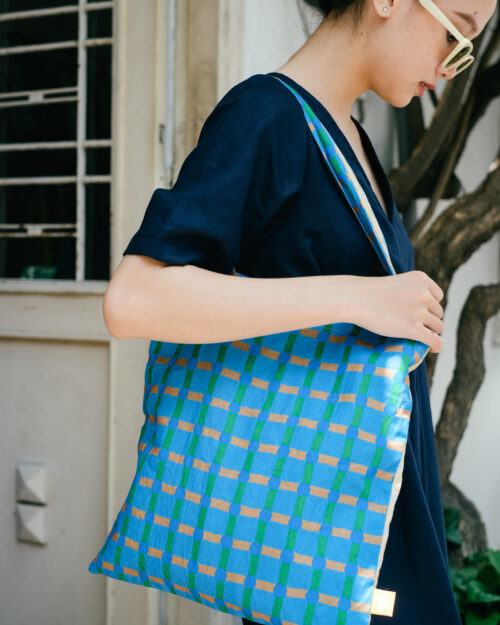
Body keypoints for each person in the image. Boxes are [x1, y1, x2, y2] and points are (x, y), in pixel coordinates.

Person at [103, 0, 497, 623]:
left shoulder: (352, 139)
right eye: (457, 32)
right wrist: (357, 296)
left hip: (372, 514)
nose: (453, 67)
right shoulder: (266, 116)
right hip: (323, 540)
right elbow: (134, 299)